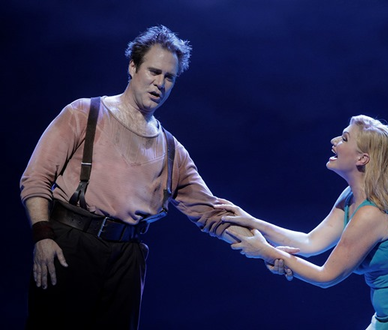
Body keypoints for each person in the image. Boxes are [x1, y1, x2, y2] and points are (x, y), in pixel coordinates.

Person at [19, 25, 251, 330]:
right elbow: (35, 179)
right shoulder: (84, 113)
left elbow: (212, 213)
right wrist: (42, 236)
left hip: (126, 258)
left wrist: (273, 252)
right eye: (154, 71)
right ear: (132, 67)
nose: (160, 83)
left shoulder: (171, 150)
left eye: (169, 77)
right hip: (70, 245)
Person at [217, 115, 388, 329]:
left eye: (344, 139)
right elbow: (311, 242)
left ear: (362, 159)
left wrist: (265, 252)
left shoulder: (371, 214)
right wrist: (253, 222)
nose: (334, 141)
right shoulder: (350, 198)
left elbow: (327, 277)